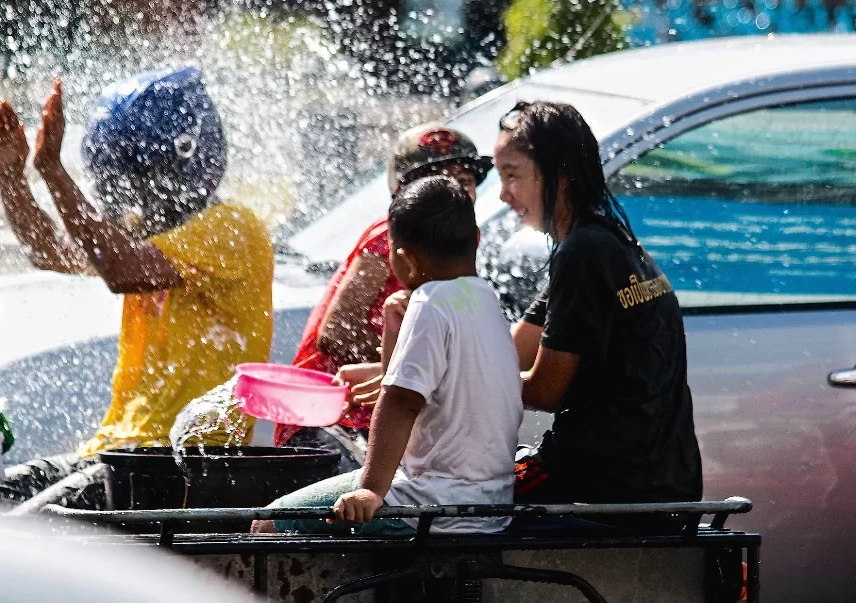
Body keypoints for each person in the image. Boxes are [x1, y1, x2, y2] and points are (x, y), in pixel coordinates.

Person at [0, 67, 274, 506]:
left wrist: (51, 170)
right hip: (116, 452)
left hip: (175, 463)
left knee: (20, 537)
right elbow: (49, 252)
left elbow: (120, 269)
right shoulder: (149, 230)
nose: (134, 194)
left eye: (143, 177)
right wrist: (12, 178)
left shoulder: (232, 229)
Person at [254, 176, 523, 535]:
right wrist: (395, 327)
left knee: (270, 521)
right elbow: (412, 380)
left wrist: (371, 491)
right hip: (491, 504)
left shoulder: (430, 303)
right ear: (475, 239)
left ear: (404, 260)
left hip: (429, 503)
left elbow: (400, 401)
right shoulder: (484, 298)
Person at [493, 100, 702, 505]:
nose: (502, 195)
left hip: (606, 485)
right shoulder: (609, 241)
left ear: (562, 175)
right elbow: (510, 354)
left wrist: (447, 387)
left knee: (450, 500)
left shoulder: (583, 253)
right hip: (663, 481)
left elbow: (545, 390)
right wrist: (416, 364)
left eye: (512, 176)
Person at [276, 124, 492, 470]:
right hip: (335, 421)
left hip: (384, 419)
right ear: (404, 192)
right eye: (437, 182)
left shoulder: (460, 243)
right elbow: (336, 334)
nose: (454, 193)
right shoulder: (389, 237)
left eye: (464, 181)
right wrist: (407, 365)